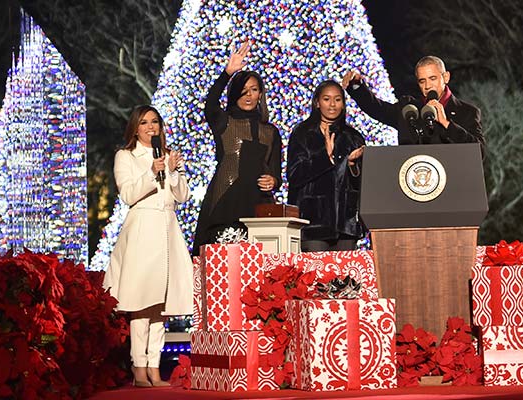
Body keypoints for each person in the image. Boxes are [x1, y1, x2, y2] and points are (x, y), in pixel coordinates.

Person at [103, 105, 193, 387]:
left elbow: (182, 195)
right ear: (135, 127)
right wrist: (153, 172)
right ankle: (138, 366)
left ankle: (154, 365)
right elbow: (129, 194)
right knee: (141, 303)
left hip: (167, 229)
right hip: (142, 230)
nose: (150, 127)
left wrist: (174, 171)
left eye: (155, 122)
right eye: (144, 122)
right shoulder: (125, 156)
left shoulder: (166, 156)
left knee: (161, 307)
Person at [192, 41, 282, 255]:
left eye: (253, 90)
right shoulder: (224, 121)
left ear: (261, 94)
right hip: (226, 203)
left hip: (258, 209)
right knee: (222, 265)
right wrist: (227, 73)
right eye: (243, 91)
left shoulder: (270, 132)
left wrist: (274, 181)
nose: (249, 95)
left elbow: (275, 170)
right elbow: (210, 105)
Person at [287, 80, 366, 252]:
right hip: (313, 223)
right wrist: (325, 157)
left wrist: (351, 165)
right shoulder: (303, 133)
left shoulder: (353, 137)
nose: (332, 105)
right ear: (317, 102)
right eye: (326, 99)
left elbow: (364, 184)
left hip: (346, 224)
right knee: (317, 277)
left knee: (345, 277)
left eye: (337, 100)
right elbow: (294, 175)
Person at [342, 56, 484, 150]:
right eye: (422, 81)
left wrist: (447, 124)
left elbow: (479, 152)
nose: (428, 86)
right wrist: (357, 87)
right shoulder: (409, 109)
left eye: (433, 78)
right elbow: (378, 109)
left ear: (445, 77)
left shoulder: (468, 112)